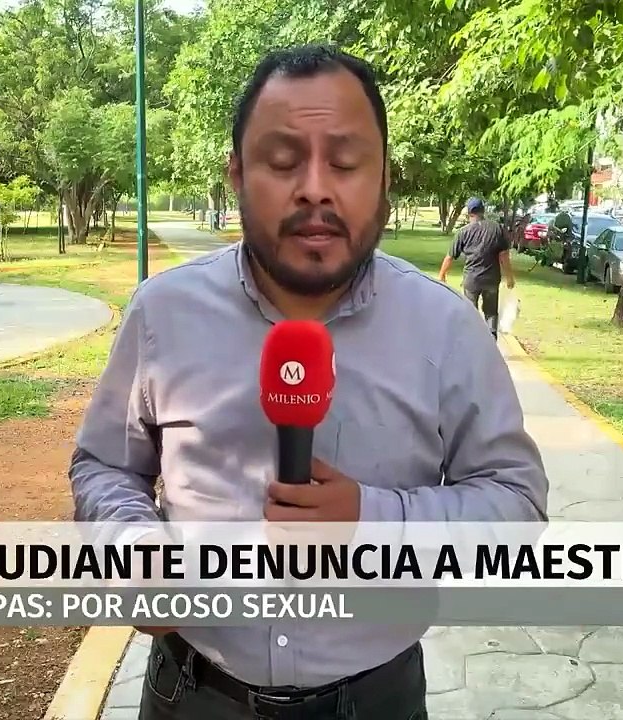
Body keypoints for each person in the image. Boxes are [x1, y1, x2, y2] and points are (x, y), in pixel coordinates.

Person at [70, 44, 548, 720]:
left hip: (376, 699)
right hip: (193, 694)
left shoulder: (446, 329)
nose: (316, 188)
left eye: (347, 163)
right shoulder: (162, 315)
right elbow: (103, 466)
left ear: (385, 179)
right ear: (237, 174)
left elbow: (516, 507)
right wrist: (130, 549)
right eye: (282, 161)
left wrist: (369, 521)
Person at [438, 197, 516, 339]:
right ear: (483, 211)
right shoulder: (496, 229)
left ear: (469, 213)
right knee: (491, 312)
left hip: (472, 279)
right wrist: (510, 277)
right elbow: (504, 256)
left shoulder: (463, 232)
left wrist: (442, 275)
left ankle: (472, 342)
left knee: (470, 313)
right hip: (491, 279)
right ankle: (492, 342)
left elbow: (450, 256)